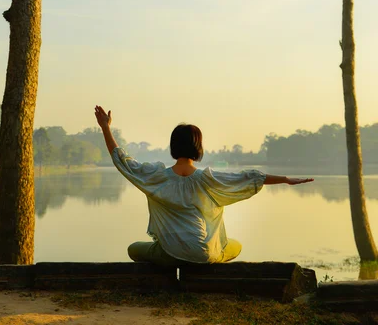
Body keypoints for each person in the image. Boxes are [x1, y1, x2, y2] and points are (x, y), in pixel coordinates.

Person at [95, 105, 313, 266]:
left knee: (133, 249)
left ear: (173, 147)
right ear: (198, 148)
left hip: (169, 253)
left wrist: (106, 127)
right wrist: (284, 179)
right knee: (234, 245)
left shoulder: (156, 176)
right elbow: (248, 178)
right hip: (203, 254)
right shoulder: (207, 179)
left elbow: (123, 161)